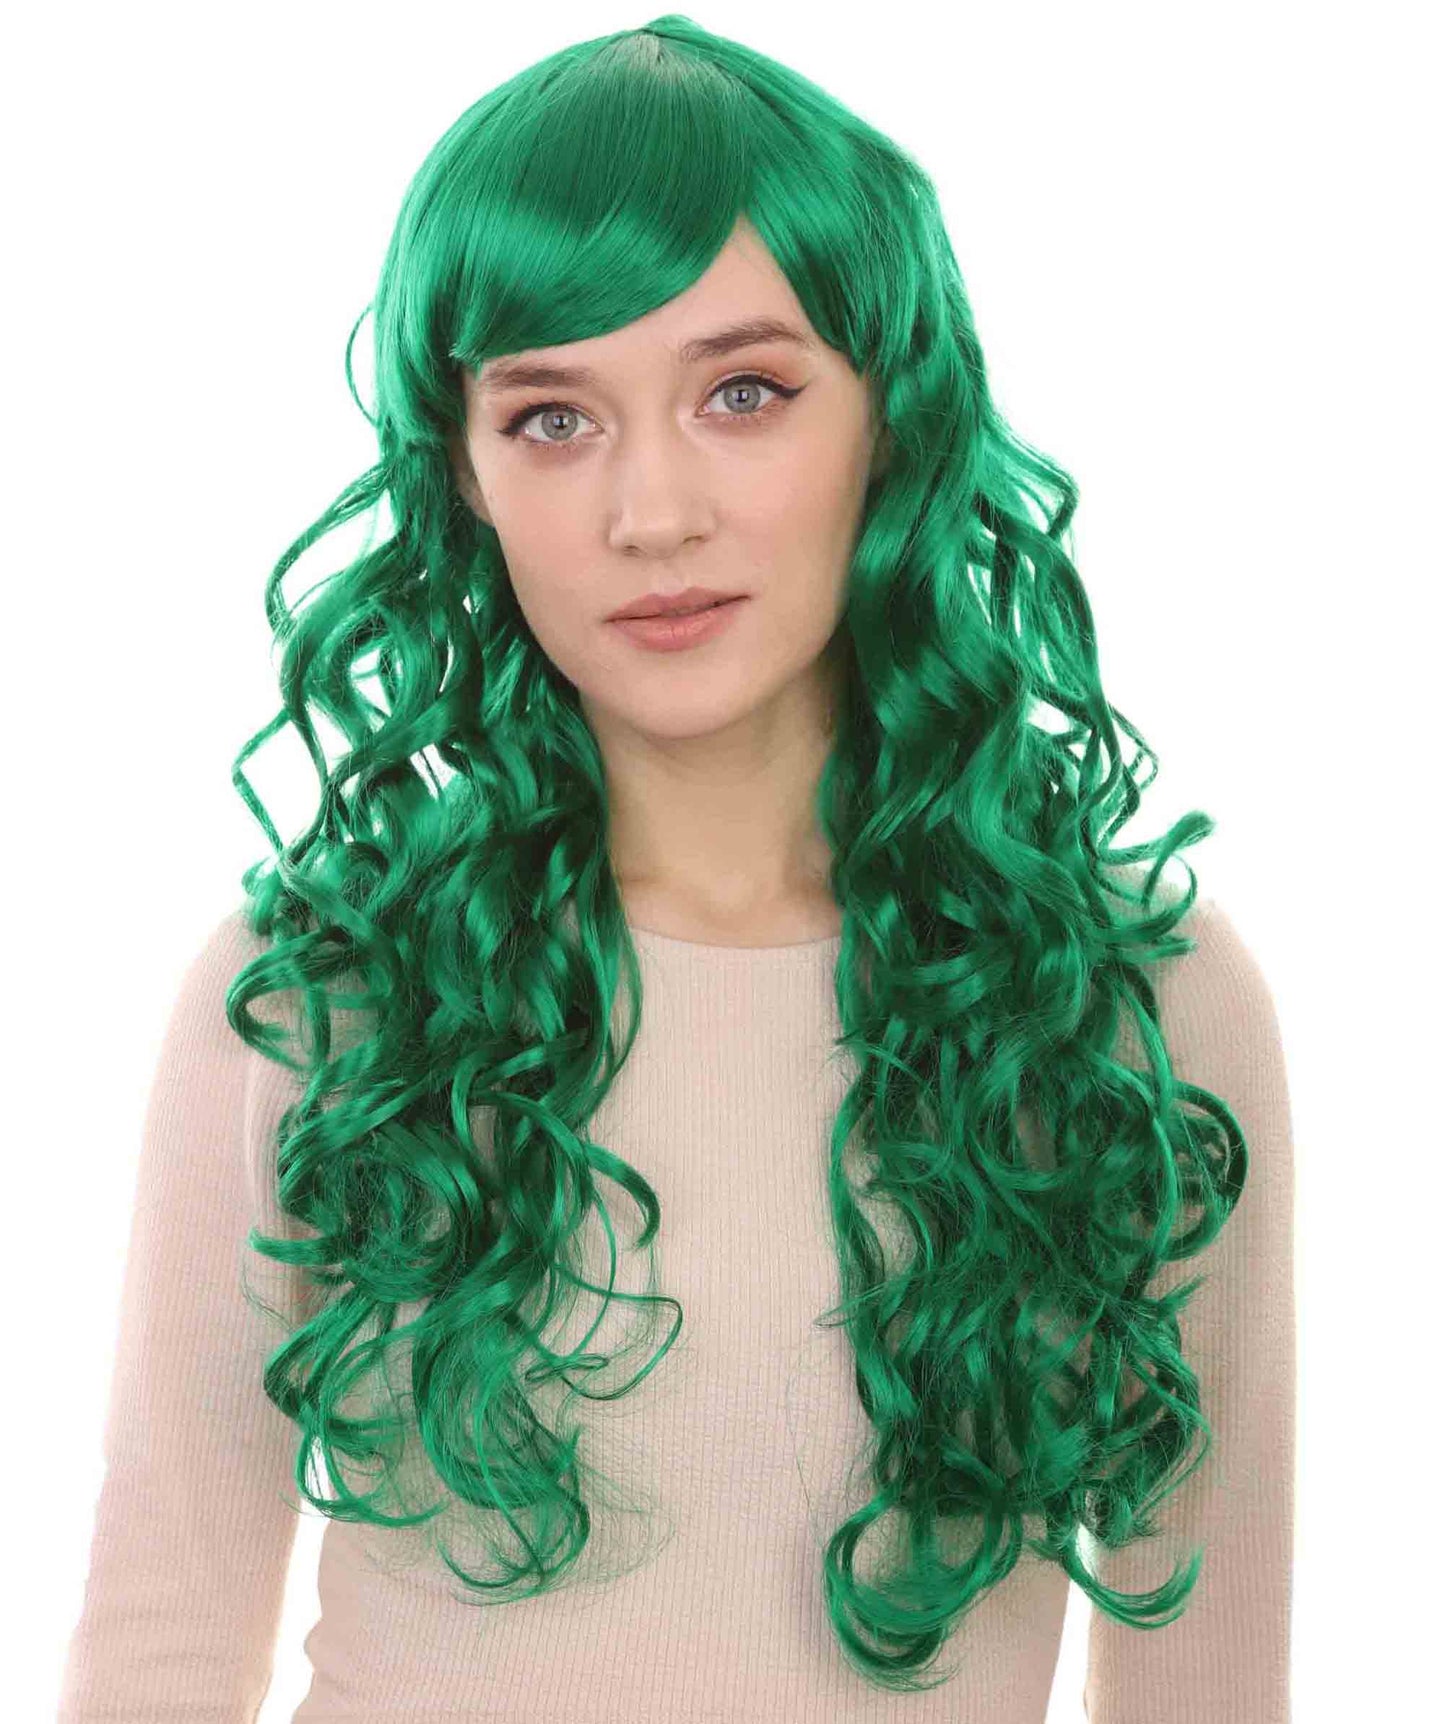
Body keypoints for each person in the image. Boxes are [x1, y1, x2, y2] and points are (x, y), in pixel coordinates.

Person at [56, 14, 1296, 1722]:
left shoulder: (1133, 1000)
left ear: (894, 420)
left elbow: (1203, 1676)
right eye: (552, 417)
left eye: (742, 394)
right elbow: (164, 1643)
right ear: (465, 475)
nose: (651, 514)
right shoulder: (324, 992)